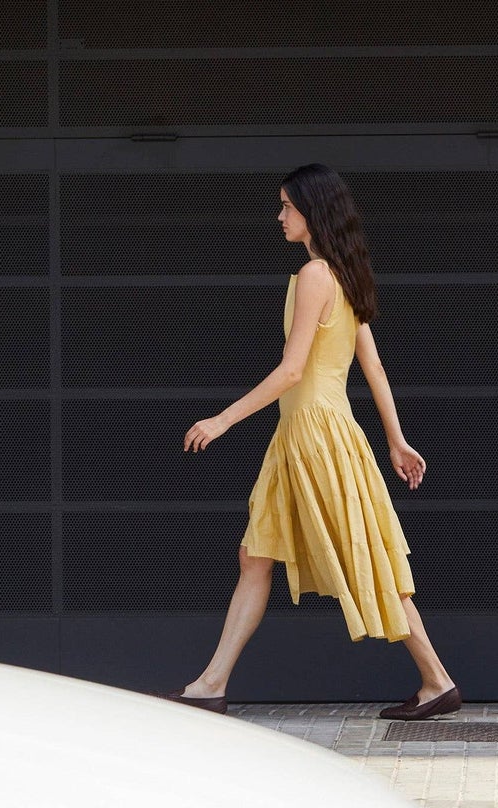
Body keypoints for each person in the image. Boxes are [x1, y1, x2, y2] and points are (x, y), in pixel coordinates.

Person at [163, 163, 461, 721]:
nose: (279, 217)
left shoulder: (316, 278)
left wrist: (222, 420)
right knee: (256, 555)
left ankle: (438, 682)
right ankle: (211, 683)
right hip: (311, 434)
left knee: (363, 558)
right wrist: (395, 441)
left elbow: (292, 371)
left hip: (314, 436)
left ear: (312, 212)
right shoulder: (342, 277)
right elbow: (373, 369)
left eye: (286, 207)